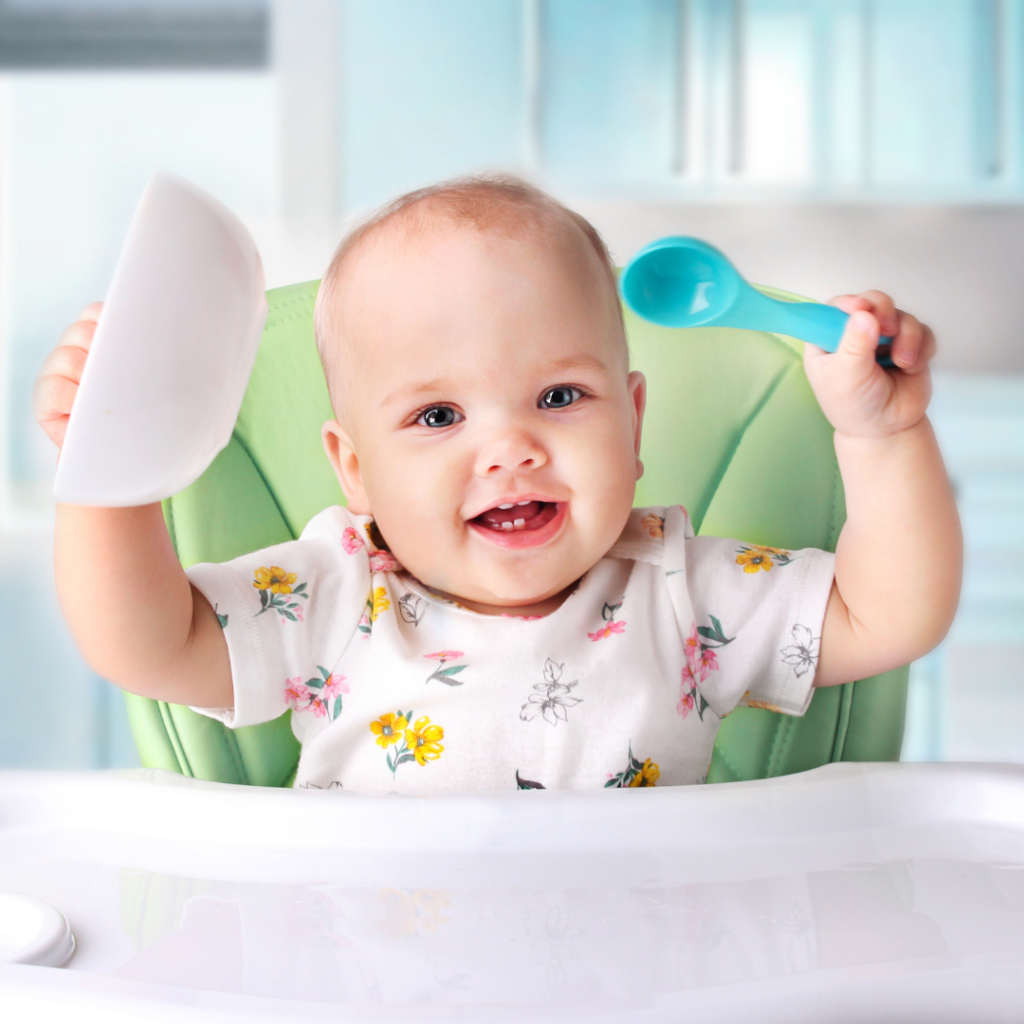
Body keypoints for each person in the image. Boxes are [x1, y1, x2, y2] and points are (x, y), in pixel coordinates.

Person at [34, 175, 961, 792]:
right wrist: (112, 470)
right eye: (438, 418)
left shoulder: (681, 590)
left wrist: (882, 435)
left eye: (559, 396)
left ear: (634, 425)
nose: (511, 449)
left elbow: (888, 616)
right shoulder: (332, 595)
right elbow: (147, 643)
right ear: (354, 470)